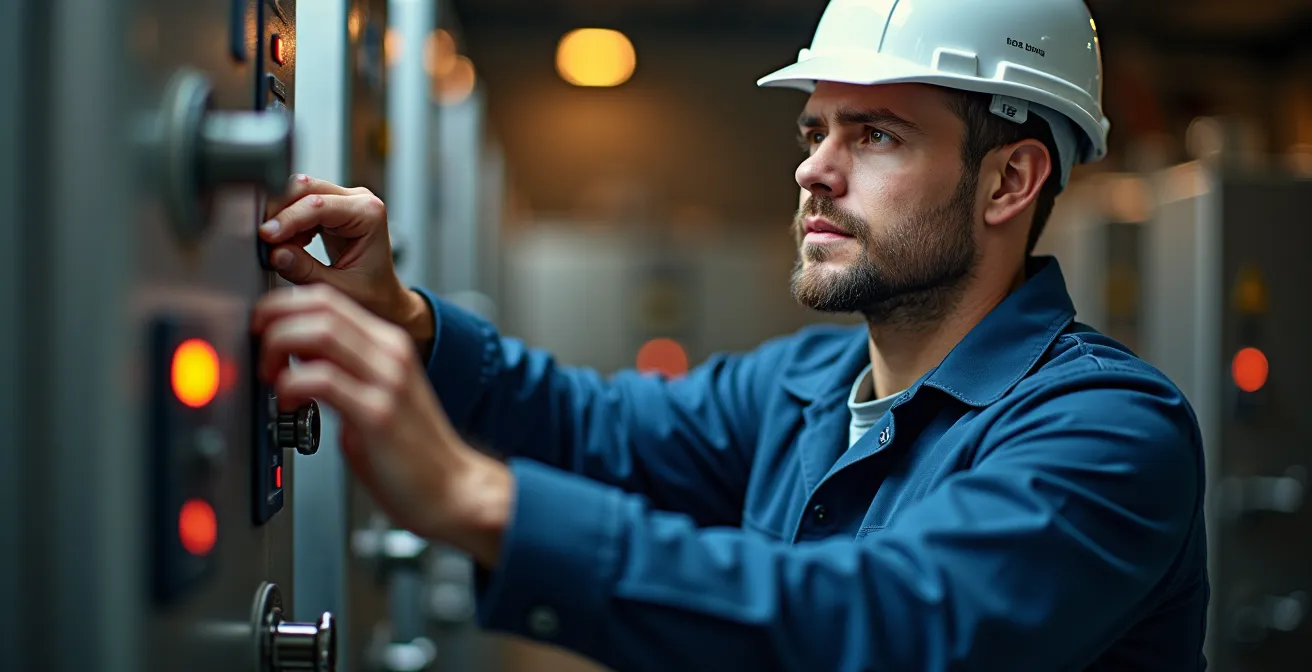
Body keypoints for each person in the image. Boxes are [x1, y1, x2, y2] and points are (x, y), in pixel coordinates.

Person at [251, 0, 1209, 669]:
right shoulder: (803, 387)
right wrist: (405, 319)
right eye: (814, 133)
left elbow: (890, 628)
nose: (814, 173)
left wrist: (478, 499)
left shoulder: (1108, 433)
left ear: (1009, 181)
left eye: (875, 135)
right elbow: (594, 424)